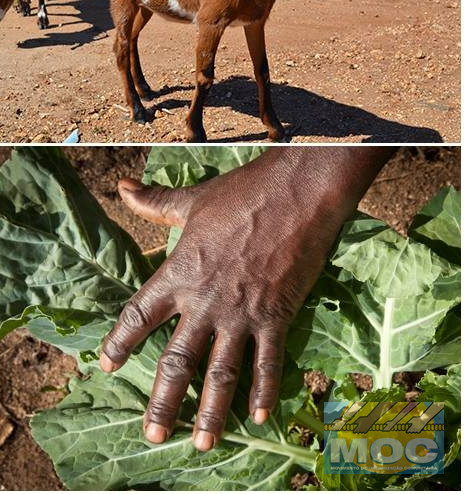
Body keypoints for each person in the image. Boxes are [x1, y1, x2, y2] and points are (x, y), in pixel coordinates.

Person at [98, 147, 395, 453]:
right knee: (405, 459)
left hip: (420, 449)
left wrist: (298, 185)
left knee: (405, 463)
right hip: (416, 445)